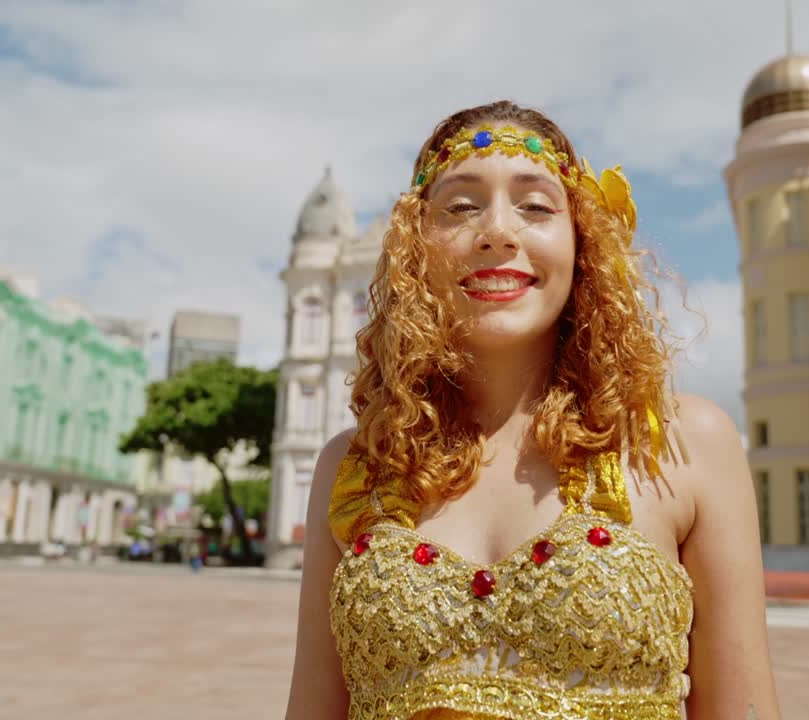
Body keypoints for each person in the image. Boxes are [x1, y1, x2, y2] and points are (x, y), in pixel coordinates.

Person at [285, 101, 778, 719]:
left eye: (536, 206)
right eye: (460, 207)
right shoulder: (356, 464)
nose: (497, 231)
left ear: (583, 243)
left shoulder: (685, 443)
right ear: (416, 250)